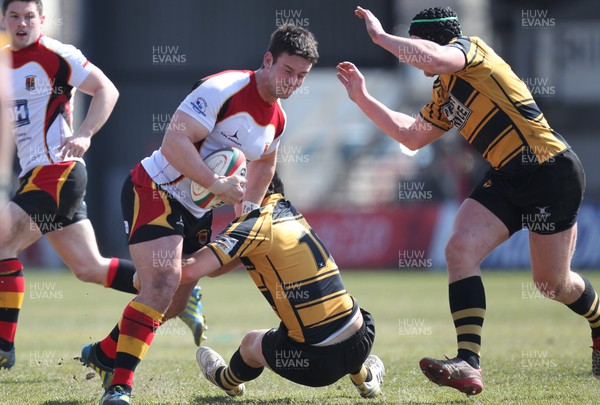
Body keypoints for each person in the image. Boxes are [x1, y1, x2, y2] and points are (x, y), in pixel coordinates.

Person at [337, 5, 600, 396]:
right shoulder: (443, 91)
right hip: (509, 176)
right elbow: (411, 135)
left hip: (550, 171)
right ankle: (468, 363)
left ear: (430, 41)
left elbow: (434, 57)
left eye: (415, 41)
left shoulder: (470, 51)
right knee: (459, 250)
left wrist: (381, 38)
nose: (413, 54)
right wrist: (362, 98)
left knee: (552, 284)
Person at [81, 24, 319, 404]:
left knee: (175, 298)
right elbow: (173, 141)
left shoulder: (279, 119)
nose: (292, 82)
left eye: (301, 77)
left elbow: (264, 166)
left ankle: (105, 352)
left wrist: (250, 213)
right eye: (288, 71)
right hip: (155, 188)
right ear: (268, 60)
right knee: (161, 282)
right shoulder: (223, 89)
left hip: (197, 210)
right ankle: (120, 387)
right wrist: (216, 183)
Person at [0, 0, 205, 370]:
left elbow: (106, 90)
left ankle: (2, 347)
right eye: (13, 15)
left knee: (1, 243)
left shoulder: (56, 54)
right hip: (34, 176)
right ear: (3, 20)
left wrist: (84, 133)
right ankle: (174, 293)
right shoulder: (3, 63)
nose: (21, 23)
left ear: (42, 20)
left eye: (29, 16)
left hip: (58, 171)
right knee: (89, 267)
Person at [170, 172, 383, 399]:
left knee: (250, 343)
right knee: (328, 318)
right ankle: (365, 378)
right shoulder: (289, 211)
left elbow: (191, 269)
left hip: (317, 363)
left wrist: (152, 267)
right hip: (362, 337)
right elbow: (214, 269)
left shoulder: (254, 222)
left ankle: (224, 379)